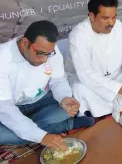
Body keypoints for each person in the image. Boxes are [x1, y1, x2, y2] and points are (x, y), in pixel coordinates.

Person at [0, 21, 94, 150]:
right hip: (11, 107)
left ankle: (31, 130)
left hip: (42, 101)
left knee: (70, 107)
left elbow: (58, 81)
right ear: (25, 43)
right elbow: (5, 108)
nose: (44, 60)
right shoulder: (3, 58)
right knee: (5, 135)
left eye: (48, 54)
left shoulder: (51, 51)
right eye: (39, 53)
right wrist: (42, 137)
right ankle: (63, 126)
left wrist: (64, 98)